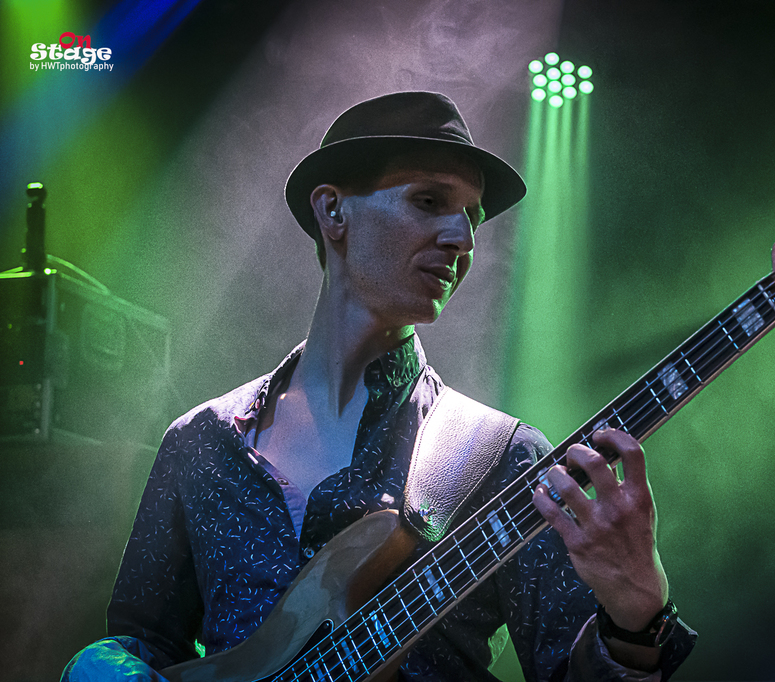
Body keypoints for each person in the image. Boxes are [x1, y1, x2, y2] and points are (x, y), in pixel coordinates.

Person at [62, 91, 697, 681]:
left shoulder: (504, 457)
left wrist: (636, 618)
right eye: (430, 201)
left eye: (472, 218)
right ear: (332, 210)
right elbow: (143, 643)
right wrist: (104, 664)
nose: (462, 239)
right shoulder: (200, 442)